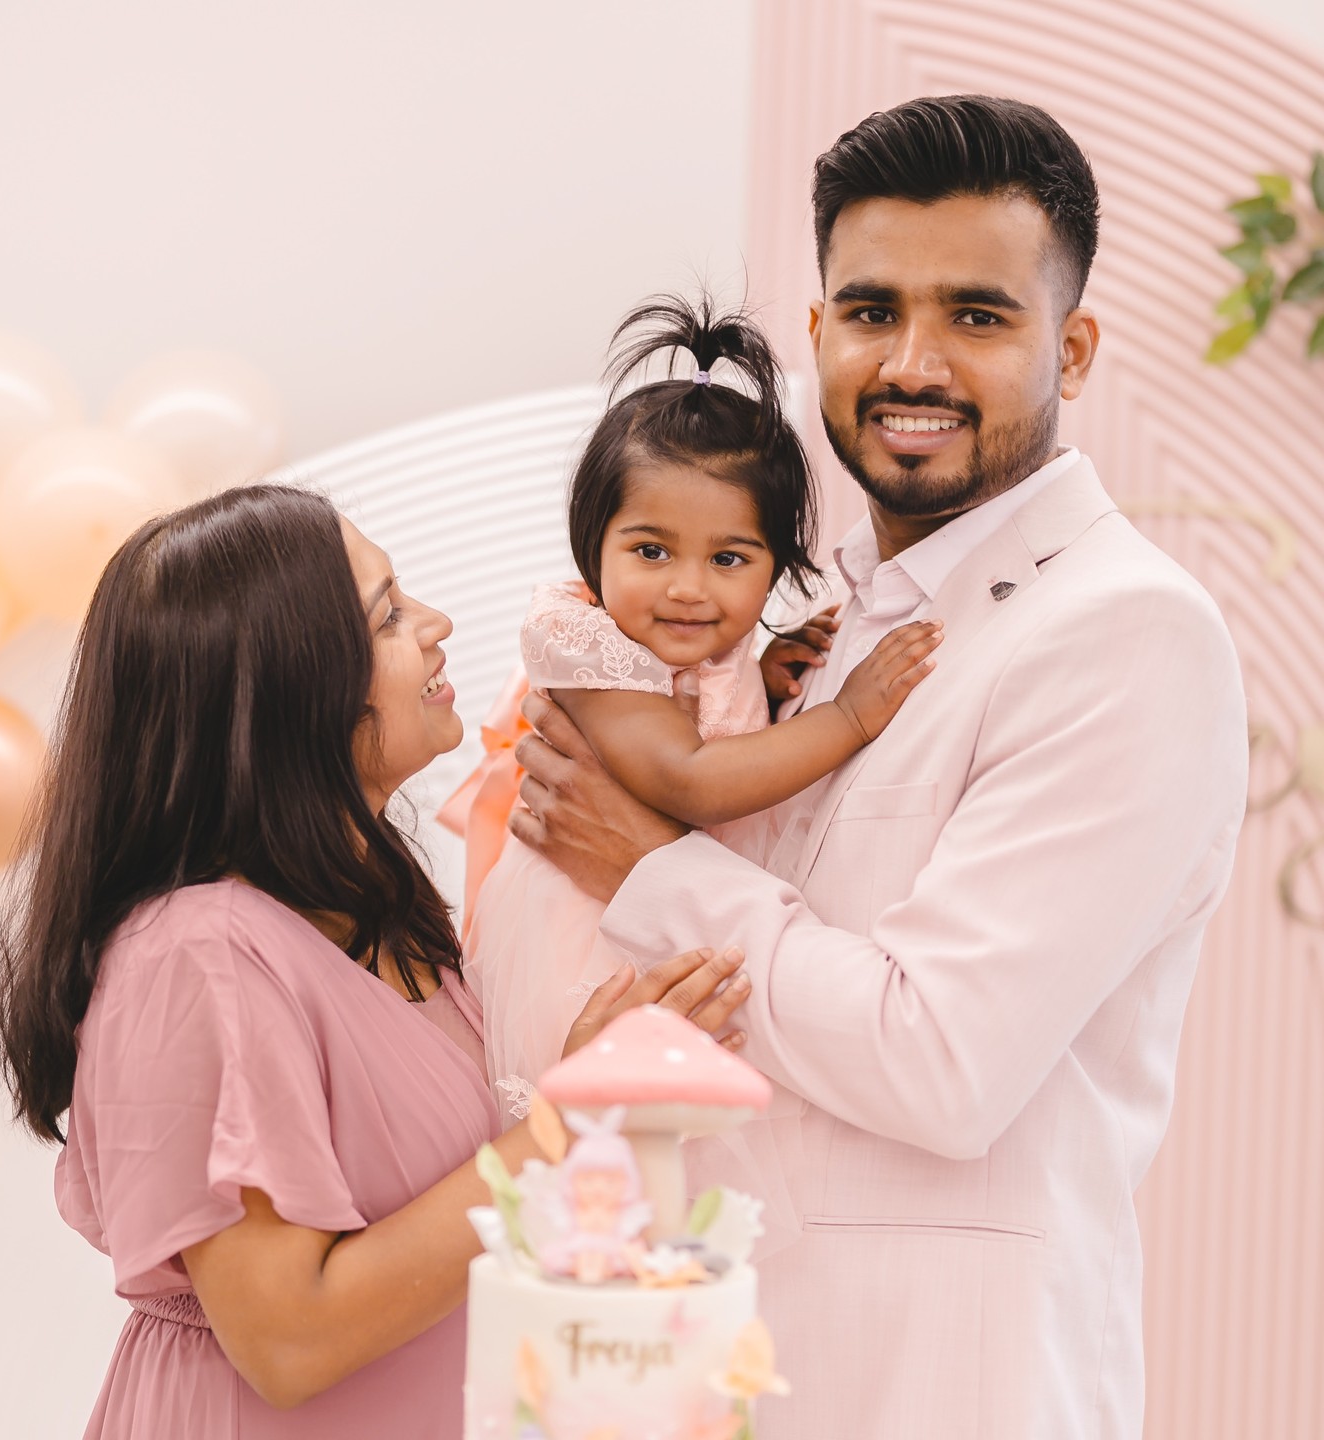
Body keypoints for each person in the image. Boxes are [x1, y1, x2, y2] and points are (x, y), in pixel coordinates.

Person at [506, 95, 1250, 1438]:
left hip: (943, 1391)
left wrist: (650, 867)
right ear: (816, 337)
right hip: (709, 1364)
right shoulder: (807, 633)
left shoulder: (1127, 634)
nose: (914, 362)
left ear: (1072, 350)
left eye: (978, 315)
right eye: (870, 312)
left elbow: (941, 1060)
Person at [0, 484, 750, 1440]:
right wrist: (570, 1123)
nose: (437, 625)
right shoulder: (198, 954)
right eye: (387, 615)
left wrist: (576, 1090)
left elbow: (442, 1213)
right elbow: (289, 1343)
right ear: (290, 690)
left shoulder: (381, 914)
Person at [441, 293, 941, 1120]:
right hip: (585, 939)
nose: (686, 587)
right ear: (590, 543)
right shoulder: (588, 648)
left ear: (775, 567)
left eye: (730, 558)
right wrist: (847, 715)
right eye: (649, 550)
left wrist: (762, 674)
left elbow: (710, 720)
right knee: (608, 1156)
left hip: (658, 919)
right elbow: (690, 774)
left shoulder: (701, 649)